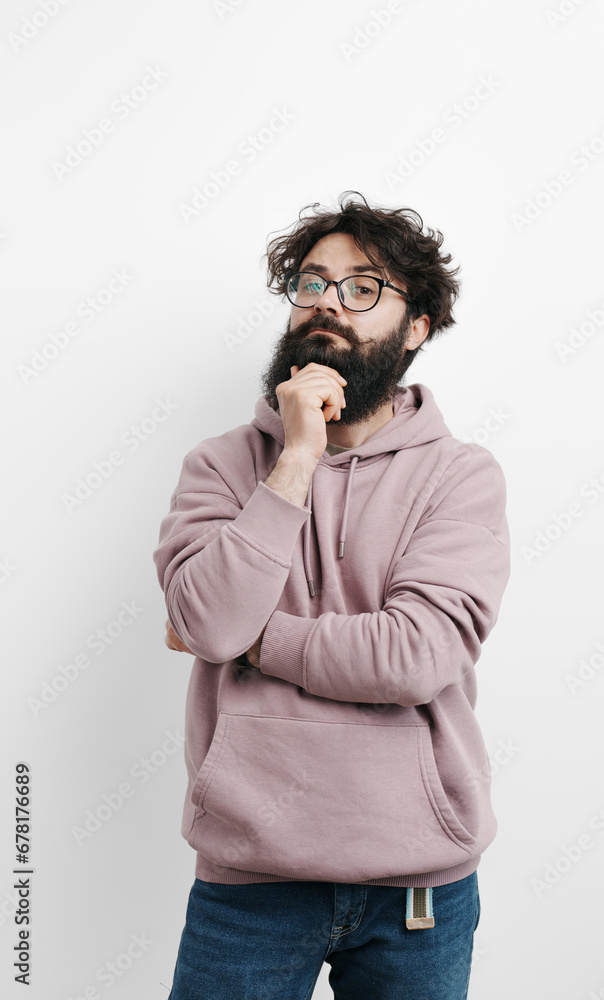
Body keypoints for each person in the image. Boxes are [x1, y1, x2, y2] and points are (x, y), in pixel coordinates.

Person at [153, 190, 511, 999]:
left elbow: (415, 657)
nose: (327, 307)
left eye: (362, 289)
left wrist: (253, 642)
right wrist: (296, 460)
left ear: (416, 326)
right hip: (248, 880)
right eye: (311, 285)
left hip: (418, 884)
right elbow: (206, 617)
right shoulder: (221, 465)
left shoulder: (459, 476)